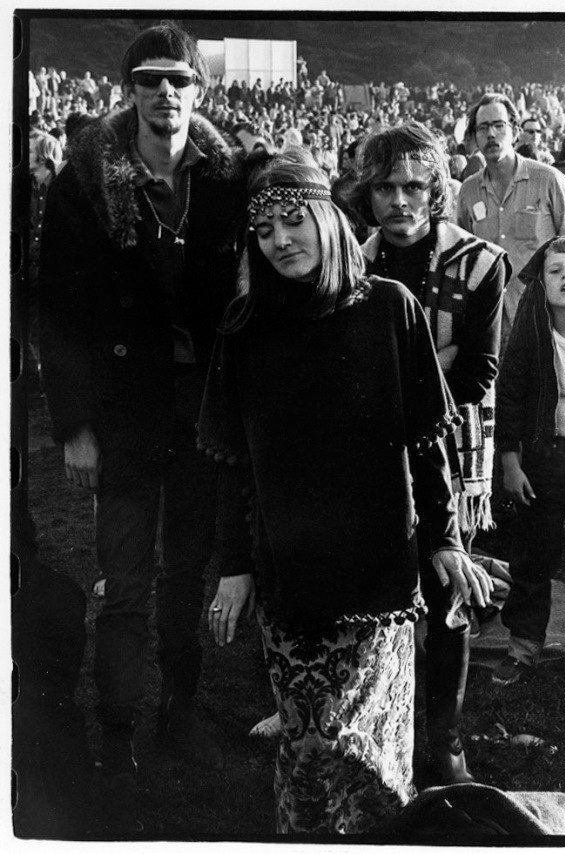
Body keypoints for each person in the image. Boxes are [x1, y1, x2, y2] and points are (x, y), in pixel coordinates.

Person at [197, 147, 493, 834]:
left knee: (371, 764)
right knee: (308, 760)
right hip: (290, 576)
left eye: (293, 222)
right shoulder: (244, 328)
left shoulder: (390, 308)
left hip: (378, 577)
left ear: (328, 221)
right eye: (263, 231)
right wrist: (236, 565)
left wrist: (446, 539)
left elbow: (427, 442)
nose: (279, 241)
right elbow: (231, 464)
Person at [38, 22, 244, 792]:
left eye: (178, 79)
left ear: (199, 89)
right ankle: (119, 728)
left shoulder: (227, 176)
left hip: (200, 410)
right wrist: (74, 428)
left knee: (185, 573)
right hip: (123, 410)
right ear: (127, 90)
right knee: (124, 580)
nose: (164, 92)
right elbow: (57, 313)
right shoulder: (84, 181)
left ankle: (179, 715)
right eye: (149, 79)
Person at [350, 122, 508, 784]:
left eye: (415, 186)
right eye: (386, 186)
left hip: (447, 449)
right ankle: (363, 724)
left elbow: (478, 371)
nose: (400, 200)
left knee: (448, 595)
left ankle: (443, 741)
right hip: (364, 454)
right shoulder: (349, 263)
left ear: (437, 190)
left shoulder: (481, 262)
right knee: (366, 588)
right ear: (368, 193)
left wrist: (401, 382)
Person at [492, 235, 565, 685]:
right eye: (556, 270)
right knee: (533, 553)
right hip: (547, 455)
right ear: (541, 281)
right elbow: (509, 395)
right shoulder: (533, 329)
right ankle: (523, 648)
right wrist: (511, 462)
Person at [457, 93, 565, 350]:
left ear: (514, 130)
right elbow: (463, 258)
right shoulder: (468, 191)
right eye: (483, 128)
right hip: (490, 326)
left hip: (542, 323)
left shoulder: (550, 181)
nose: (491, 134)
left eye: (499, 125)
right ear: (475, 136)